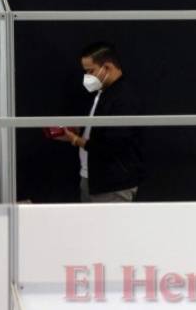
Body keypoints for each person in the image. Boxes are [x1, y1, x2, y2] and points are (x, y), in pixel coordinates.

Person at [55, 42, 144, 202]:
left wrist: (77, 141)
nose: (87, 77)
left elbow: (114, 143)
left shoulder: (125, 98)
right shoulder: (102, 93)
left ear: (107, 67)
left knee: (111, 227)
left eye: (90, 71)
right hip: (91, 178)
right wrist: (77, 131)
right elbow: (98, 131)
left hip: (113, 184)